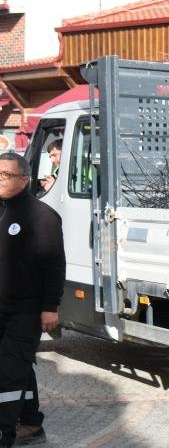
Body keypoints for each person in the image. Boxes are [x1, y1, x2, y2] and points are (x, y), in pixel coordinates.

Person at [0, 152, 65, 447]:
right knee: (20, 365)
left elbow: (54, 265)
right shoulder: (2, 211)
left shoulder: (42, 216)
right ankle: (30, 422)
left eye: (6, 175)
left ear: (24, 180)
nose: (0, 180)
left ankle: (4, 433)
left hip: (26, 310)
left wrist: (50, 307)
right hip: (2, 307)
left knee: (8, 371)